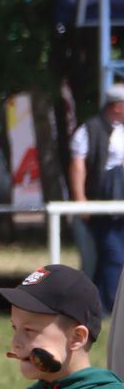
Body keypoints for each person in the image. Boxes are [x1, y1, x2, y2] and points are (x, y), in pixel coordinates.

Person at [69, 86, 124, 311]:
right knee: (113, 257)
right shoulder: (88, 130)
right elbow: (77, 166)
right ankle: (111, 308)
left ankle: (99, 308)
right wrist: (81, 200)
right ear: (117, 106)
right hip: (101, 207)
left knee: (109, 259)